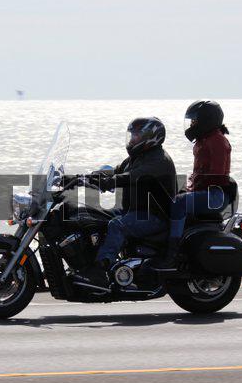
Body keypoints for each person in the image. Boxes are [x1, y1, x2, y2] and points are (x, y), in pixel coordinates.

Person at [75, 117, 177, 287]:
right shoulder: (136, 157)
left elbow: (131, 177)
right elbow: (116, 171)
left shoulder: (159, 160)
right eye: (132, 135)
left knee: (118, 225)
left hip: (154, 216)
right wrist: (80, 178)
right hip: (133, 211)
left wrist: (108, 183)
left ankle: (101, 270)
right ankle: (85, 263)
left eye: (137, 135)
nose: (132, 139)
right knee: (89, 215)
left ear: (150, 137)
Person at [157, 100, 232, 269]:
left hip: (215, 195)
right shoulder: (204, 140)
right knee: (170, 197)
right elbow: (198, 175)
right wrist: (186, 188)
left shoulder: (217, 141)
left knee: (179, 202)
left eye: (194, 121)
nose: (191, 124)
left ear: (207, 120)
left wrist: (189, 191)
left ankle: (173, 252)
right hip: (207, 192)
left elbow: (215, 175)